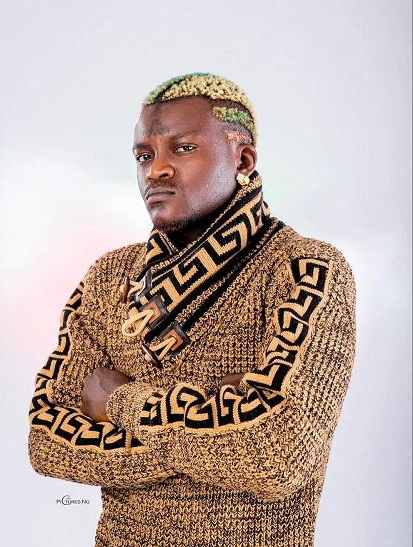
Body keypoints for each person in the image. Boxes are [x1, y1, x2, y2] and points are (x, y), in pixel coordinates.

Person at [28, 73, 356, 547]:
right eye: (144, 155)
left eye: (182, 148)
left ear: (242, 158)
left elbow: (279, 454)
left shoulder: (307, 269)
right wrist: (218, 418)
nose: (155, 171)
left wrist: (120, 403)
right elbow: (46, 440)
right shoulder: (108, 276)